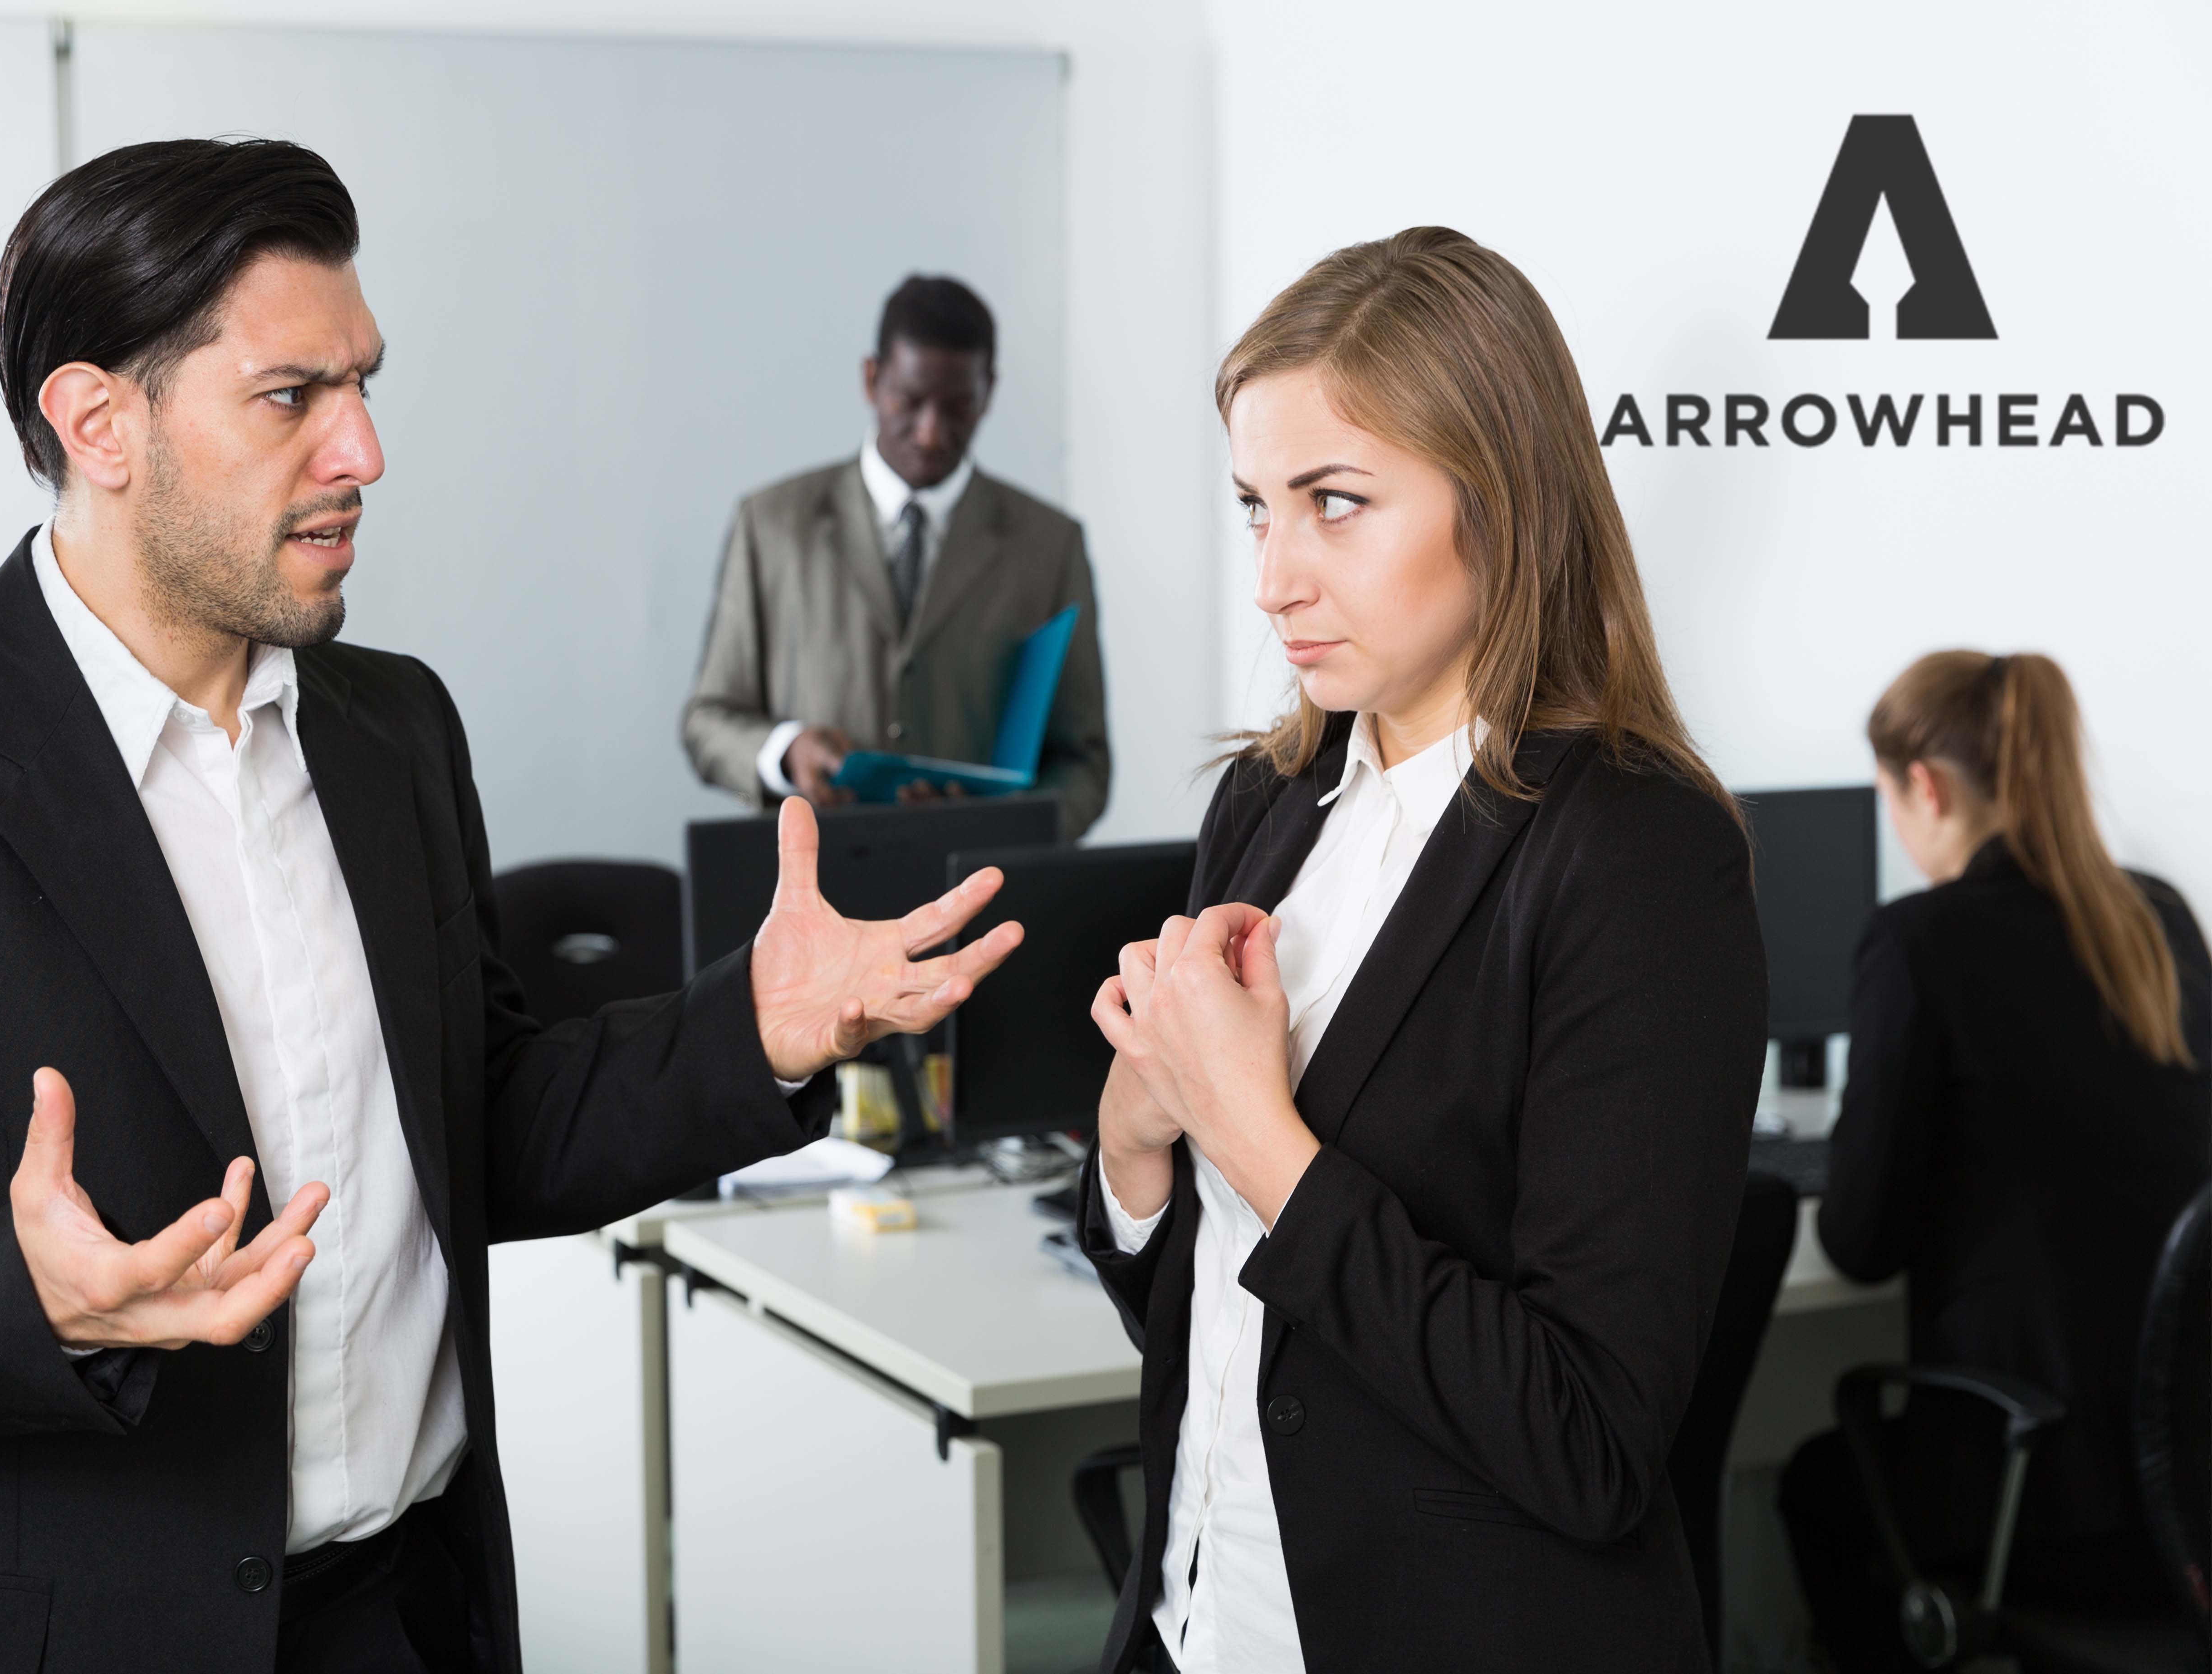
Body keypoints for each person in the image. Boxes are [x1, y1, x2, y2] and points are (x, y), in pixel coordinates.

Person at [0, 139, 1020, 1674]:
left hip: (410, 1618)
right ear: (98, 421)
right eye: (292, 398)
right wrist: (29, 1297)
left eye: (364, 387)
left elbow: (482, 1122)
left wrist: (758, 1032)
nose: (363, 454)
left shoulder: (393, 728)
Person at [1076, 227, 1766, 1673]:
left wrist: (1256, 1137)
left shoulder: (1636, 852)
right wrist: (1136, 1149)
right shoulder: (1264, 802)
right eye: (1256, 509)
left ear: (1501, 505)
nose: (1276, 578)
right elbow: (1216, 1324)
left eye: (1337, 504)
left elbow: (1588, 1442)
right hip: (1204, 1617)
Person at [1778, 651, 2212, 1669]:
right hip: (2188, 1493)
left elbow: (1857, 1243)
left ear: (1920, 786)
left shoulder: (1918, 943)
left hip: (2038, 1499)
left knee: (1815, 1490)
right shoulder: (2158, 919)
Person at [681, 274, 1110, 838]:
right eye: (909, 402)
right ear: (871, 378)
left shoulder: (1049, 543)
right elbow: (709, 721)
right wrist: (787, 752)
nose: (931, 433)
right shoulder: (771, 524)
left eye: (959, 406)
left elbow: (1083, 763)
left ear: (990, 391)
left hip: (980, 897)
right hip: (814, 894)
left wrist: (1004, 829)